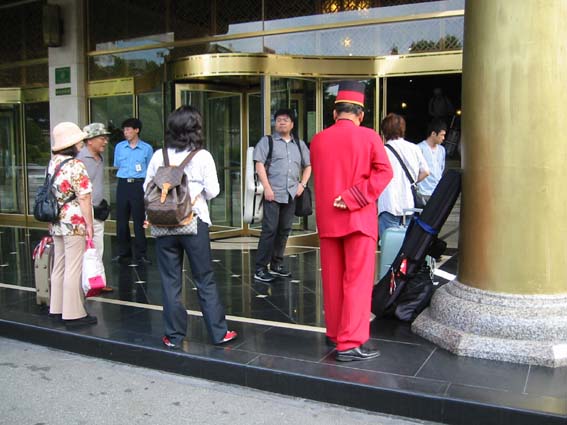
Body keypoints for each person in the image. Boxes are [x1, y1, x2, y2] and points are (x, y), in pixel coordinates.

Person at [310, 81, 393, 362]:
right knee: (357, 282)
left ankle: (335, 333)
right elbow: (385, 173)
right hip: (359, 219)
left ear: (335, 113)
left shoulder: (318, 140)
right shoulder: (369, 137)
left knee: (332, 280)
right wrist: (355, 196)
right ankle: (350, 343)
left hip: (328, 221)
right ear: (361, 114)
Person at [143, 105, 237, 348]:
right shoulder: (202, 156)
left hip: (164, 225)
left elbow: (147, 189)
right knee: (204, 278)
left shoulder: (159, 156)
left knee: (170, 281)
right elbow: (213, 191)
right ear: (196, 128)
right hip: (194, 222)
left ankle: (174, 336)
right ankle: (219, 333)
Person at [252, 109, 311, 282]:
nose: (282, 122)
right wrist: (267, 188)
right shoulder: (267, 141)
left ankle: (276, 264)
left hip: (291, 194)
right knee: (269, 230)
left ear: (292, 124)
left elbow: (308, 165)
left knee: (284, 230)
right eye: (278, 120)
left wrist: (302, 184)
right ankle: (260, 268)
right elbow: (259, 164)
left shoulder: (299, 144)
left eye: (285, 120)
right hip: (273, 194)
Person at [48, 122, 97, 328]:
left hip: (56, 219)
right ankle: (73, 313)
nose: (81, 144)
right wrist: (89, 224)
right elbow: (84, 197)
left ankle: (56, 308)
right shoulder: (76, 165)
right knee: (73, 266)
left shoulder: (53, 163)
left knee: (59, 264)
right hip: (74, 220)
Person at [378, 113, 429, 237]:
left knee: (389, 243)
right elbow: (426, 172)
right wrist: (412, 182)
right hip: (408, 204)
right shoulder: (414, 148)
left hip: (388, 203)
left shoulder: (382, 150)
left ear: (384, 131)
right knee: (406, 243)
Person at [77, 122, 113, 292]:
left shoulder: (100, 157)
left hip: (98, 210)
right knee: (84, 250)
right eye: (102, 138)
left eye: (106, 138)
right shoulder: (80, 159)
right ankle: (83, 284)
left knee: (98, 247)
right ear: (90, 140)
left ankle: (98, 282)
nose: (105, 141)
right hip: (83, 212)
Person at [112, 118, 153, 265]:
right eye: (124, 130)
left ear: (137, 130)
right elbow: (117, 164)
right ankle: (123, 253)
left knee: (139, 220)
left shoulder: (147, 148)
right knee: (121, 221)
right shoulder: (119, 147)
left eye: (128, 129)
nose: (126, 132)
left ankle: (141, 254)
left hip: (138, 185)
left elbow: (150, 169)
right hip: (123, 184)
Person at [417, 119, 447, 199]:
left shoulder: (442, 150)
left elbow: (441, 168)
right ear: (433, 134)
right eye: (442, 135)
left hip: (438, 191)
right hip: (423, 192)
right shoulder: (419, 148)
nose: (443, 138)